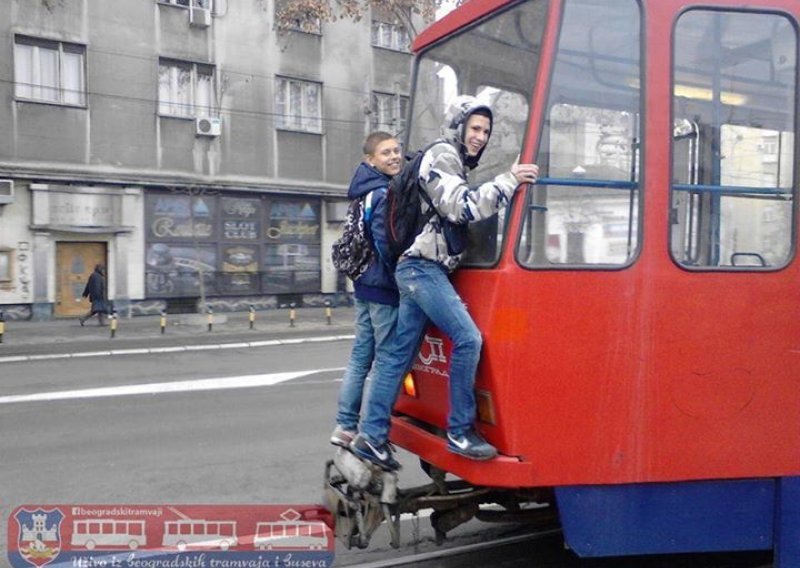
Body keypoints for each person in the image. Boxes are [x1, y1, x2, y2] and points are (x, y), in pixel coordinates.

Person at [351, 95, 539, 469]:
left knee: (396, 356)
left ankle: (370, 437)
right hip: (422, 270)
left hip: (413, 269)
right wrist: (509, 180)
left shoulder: (445, 159)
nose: (481, 137)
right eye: (474, 128)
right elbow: (461, 207)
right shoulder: (442, 156)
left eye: (485, 131)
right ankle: (459, 430)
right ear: (458, 126)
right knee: (468, 339)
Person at [330, 131, 403, 448]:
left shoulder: (361, 191)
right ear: (370, 160)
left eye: (397, 150)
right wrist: (399, 277)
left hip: (362, 284)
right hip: (382, 288)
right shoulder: (383, 193)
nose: (394, 157)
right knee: (386, 361)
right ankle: (373, 432)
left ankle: (345, 426)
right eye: (386, 153)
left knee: (361, 359)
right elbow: (384, 244)